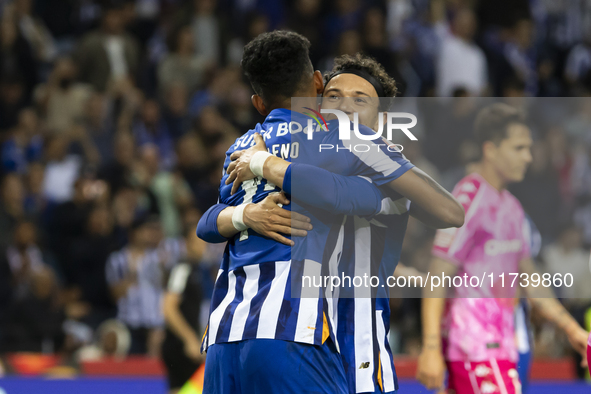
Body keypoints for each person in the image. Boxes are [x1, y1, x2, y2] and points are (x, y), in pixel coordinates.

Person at [198, 36, 463, 394]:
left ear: (383, 122)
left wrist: (267, 164)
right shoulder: (321, 144)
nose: (344, 107)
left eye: (360, 99)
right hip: (307, 335)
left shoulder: (383, 171)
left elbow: (446, 211)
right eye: (334, 97)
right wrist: (248, 213)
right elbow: (210, 220)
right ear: (318, 91)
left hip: (357, 344)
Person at [416, 103, 589, 394]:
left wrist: (572, 330)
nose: (528, 157)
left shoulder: (513, 208)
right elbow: (437, 277)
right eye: (519, 148)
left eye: (529, 148)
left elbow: (531, 280)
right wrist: (431, 347)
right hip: (472, 346)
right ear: (491, 149)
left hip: (504, 346)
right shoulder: (466, 200)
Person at [161, 211, 207, 394]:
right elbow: (168, 307)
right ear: (187, 243)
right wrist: (189, 339)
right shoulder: (182, 268)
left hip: (188, 345)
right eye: (199, 240)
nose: (204, 244)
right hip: (178, 346)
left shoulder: (198, 269)